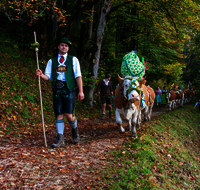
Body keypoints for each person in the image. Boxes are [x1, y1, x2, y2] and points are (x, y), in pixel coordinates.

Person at [36, 37, 84, 148]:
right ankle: (60, 138)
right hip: (57, 89)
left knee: (69, 115)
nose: (64, 47)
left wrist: (81, 91)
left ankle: (74, 129)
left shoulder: (73, 60)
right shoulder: (51, 61)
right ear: (58, 46)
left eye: (66, 46)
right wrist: (41, 74)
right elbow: (48, 77)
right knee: (59, 115)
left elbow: (78, 76)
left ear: (68, 48)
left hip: (69, 89)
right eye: (62, 45)